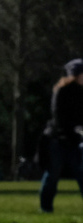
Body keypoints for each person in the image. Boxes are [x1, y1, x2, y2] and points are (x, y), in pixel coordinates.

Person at [39, 59, 83, 212]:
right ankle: (45, 207)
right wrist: (74, 129)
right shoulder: (61, 91)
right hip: (58, 140)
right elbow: (59, 117)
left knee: (81, 173)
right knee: (53, 174)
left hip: (74, 140)